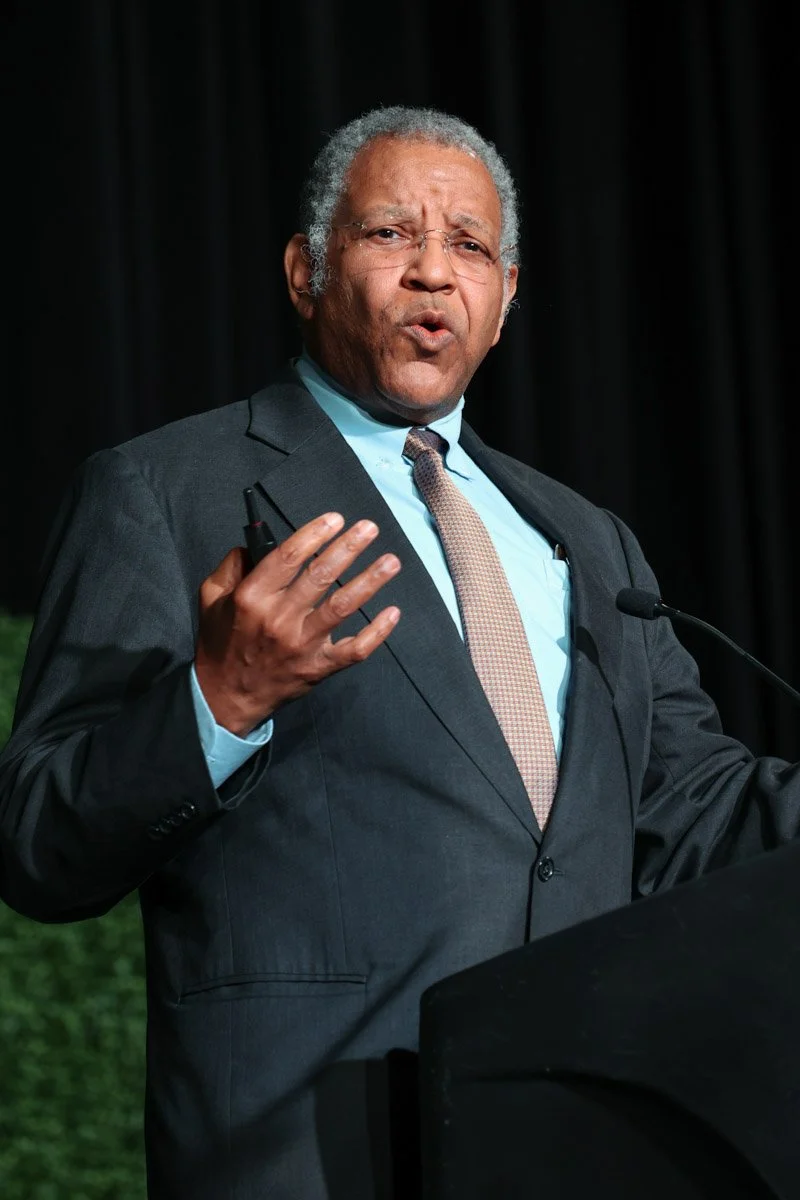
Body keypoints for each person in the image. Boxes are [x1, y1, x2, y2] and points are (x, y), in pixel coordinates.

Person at [1, 104, 799, 1199]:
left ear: (505, 298)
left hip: (577, 1142)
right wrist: (218, 701)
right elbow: (37, 841)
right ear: (305, 271)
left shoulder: (586, 539)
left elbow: (698, 807)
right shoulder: (166, 490)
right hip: (312, 1150)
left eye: (468, 246)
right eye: (390, 234)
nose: (433, 272)